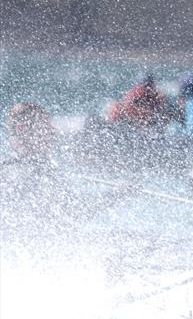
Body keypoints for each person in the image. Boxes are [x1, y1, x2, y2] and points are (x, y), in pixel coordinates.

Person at [2, 102, 135, 238]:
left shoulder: (9, 169)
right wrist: (116, 194)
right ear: (22, 129)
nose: (52, 132)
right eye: (44, 126)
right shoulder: (33, 173)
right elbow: (75, 212)